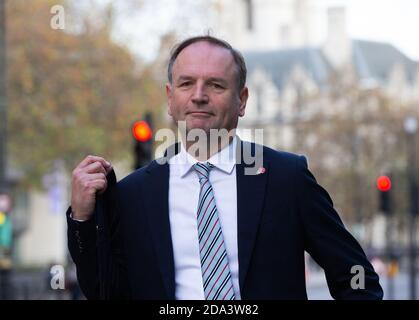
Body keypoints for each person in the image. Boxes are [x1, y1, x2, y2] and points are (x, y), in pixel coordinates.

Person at [67, 35, 383, 300]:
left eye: (216, 86)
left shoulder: (287, 179)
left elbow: (355, 277)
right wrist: (82, 218)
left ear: (242, 100)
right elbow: (105, 292)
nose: (199, 96)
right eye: (186, 84)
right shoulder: (134, 194)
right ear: (170, 98)